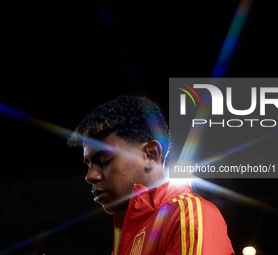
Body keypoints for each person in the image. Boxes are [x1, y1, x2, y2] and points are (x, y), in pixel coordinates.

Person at [68, 95, 235, 255]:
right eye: (88, 164)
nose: (90, 176)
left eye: (104, 161)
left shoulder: (188, 214)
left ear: (151, 155)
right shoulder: (126, 232)